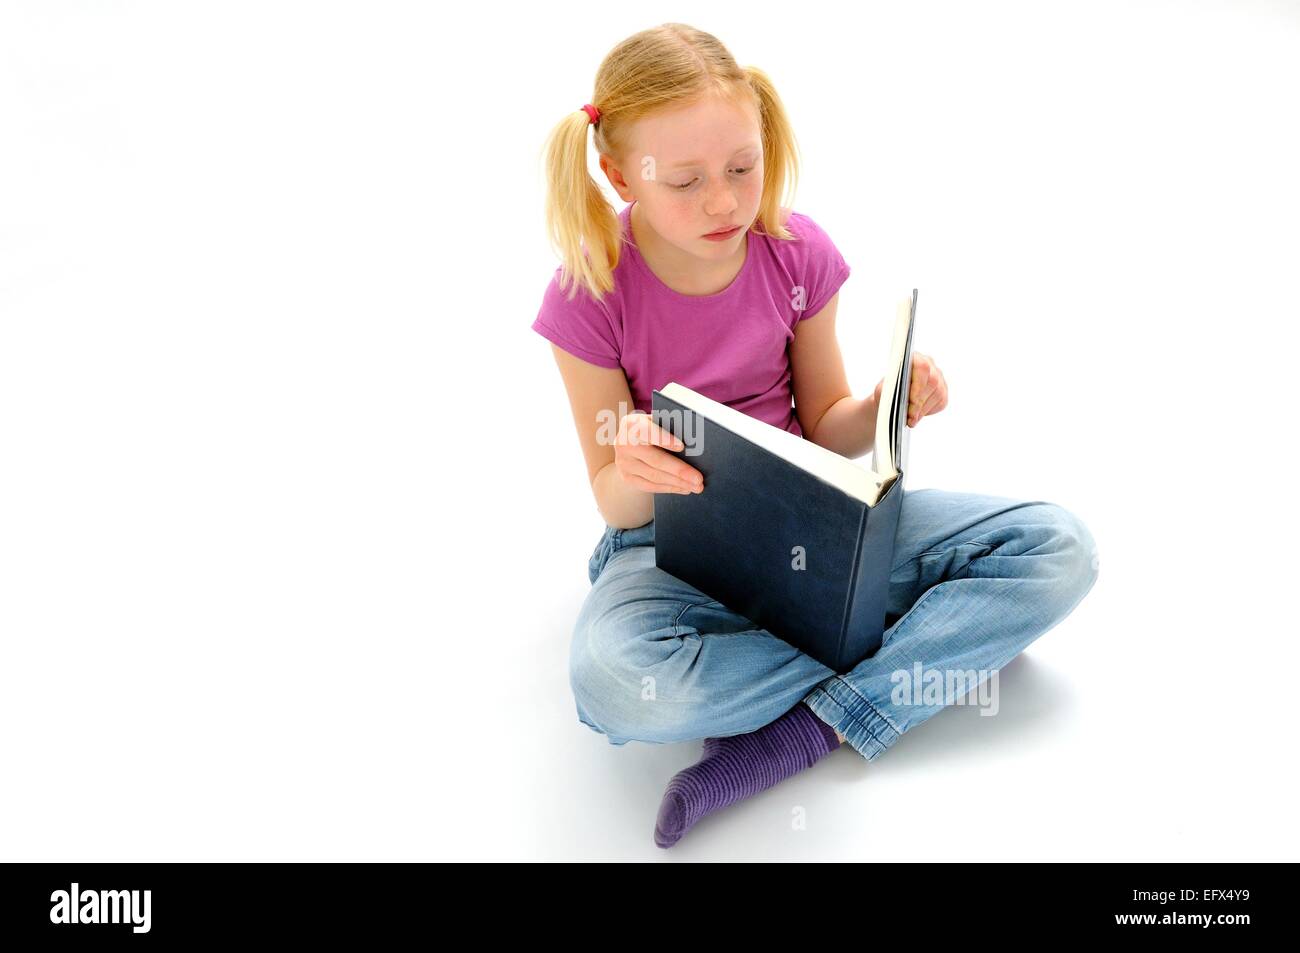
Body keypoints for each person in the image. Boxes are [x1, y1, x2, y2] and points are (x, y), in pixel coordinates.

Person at [532, 23, 1099, 849]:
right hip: (665, 548)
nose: (724, 201)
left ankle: (803, 730)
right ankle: (908, 647)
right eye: (684, 181)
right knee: (616, 682)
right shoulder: (588, 289)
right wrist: (635, 463)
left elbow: (828, 427)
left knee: (1059, 549)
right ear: (621, 175)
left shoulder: (795, 254)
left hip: (816, 530)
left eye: (741, 167)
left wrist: (885, 408)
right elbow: (614, 504)